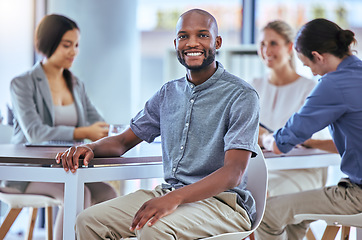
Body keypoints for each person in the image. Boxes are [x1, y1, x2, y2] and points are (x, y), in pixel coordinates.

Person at [56, 9, 260, 239]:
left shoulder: (241, 95)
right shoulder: (167, 94)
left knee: (153, 228)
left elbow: (233, 172)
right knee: (89, 221)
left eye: (203, 35)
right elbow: (123, 141)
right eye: (184, 36)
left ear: (217, 41)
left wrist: (175, 198)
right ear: (176, 43)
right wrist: (91, 148)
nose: (192, 43)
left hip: (223, 204)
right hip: (170, 193)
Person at [2, 14, 117, 240]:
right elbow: (35, 133)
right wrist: (83, 133)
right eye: (67, 45)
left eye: (76, 45)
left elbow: (97, 123)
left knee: (109, 194)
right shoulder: (22, 83)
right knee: (78, 193)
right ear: (49, 43)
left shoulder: (75, 84)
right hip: (27, 172)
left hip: (66, 168)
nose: (74, 51)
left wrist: (111, 131)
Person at [255, 18, 362, 240]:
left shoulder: (332, 84)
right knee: (298, 215)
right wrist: (312, 142)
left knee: (266, 214)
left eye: (308, 65)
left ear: (318, 56)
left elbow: (280, 144)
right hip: (353, 185)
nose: (312, 73)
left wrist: (264, 137)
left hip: (356, 194)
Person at [253, 20, 334, 197]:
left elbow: (303, 139)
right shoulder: (253, 86)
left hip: (303, 170)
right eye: (262, 44)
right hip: (263, 170)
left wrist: (265, 138)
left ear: (290, 47)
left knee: (258, 197)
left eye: (273, 43)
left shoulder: (311, 88)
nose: (266, 50)